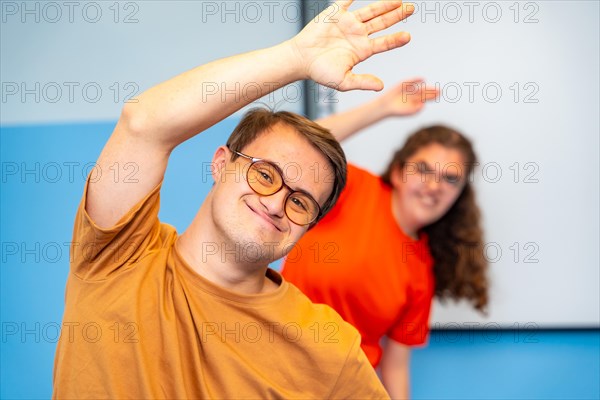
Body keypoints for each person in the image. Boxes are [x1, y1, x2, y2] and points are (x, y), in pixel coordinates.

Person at [52, 1, 418, 398]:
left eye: (300, 202)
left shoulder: (328, 347)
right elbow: (143, 123)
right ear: (222, 163)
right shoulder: (119, 253)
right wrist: (295, 58)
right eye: (265, 175)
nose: (278, 203)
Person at [282, 79, 489, 399]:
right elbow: (294, 148)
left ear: (459, 195)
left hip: (346, 389)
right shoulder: (353, 188)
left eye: (450, 178)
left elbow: (395, 366)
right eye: (423, 169)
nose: (434, 186)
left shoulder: (422, 271)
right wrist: (381, 109)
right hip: (276, 367)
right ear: (397, 171)